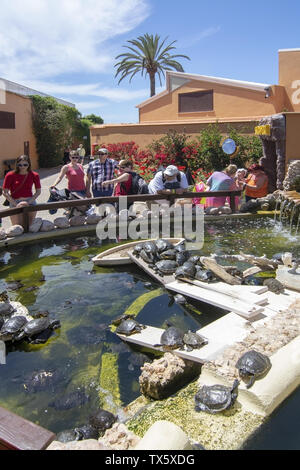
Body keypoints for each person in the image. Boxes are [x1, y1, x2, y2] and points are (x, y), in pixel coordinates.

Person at [2, 155, 41, 228]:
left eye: (25, 164)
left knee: (29, 226)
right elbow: (5, 192)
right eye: (20, 165)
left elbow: (38, 191)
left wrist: (29, 202)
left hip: (30, 201)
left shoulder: (34, 175)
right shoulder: (10, 175)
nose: (22, 167)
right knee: (17, 227)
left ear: (29, 164)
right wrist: (15, 204)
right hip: (15, 201)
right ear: (17, 165)